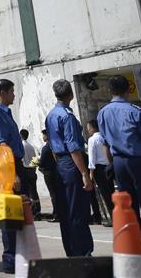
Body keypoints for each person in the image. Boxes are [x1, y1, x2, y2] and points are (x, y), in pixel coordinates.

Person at [97, 75, 141, 253]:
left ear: (109, 91)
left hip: (119, 162)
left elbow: (105, 143)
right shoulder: (135, 111)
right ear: (128, 90)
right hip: (138, 161)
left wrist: (112, 164)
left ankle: (137, 247)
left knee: (129, 207)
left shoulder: (103, 113)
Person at [45, 79, 94, 257]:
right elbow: (73, 147)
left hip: (59, 162)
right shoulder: (67, 116)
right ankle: (83, 250)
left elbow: (51, 143)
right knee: (78, 209)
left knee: (65, 211)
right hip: (72, 162)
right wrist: (84, 174)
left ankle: (71, 250)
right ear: (71, 94)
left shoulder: (51, 115)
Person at [0, 78, 26, 274]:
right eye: (11, 91)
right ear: (2, 92)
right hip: (7, 168)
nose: (14, 95)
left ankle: (17, 255)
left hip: (14, 165)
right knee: (9, 215)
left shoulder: (6, 114)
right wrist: (14, 174)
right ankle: (10, 259)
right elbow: (2, 147)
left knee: (16, 214)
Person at [85, 119, 114, 226]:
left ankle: (113, 217)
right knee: (111, 191)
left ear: (92, 128)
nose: (88, 130)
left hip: (99, 168)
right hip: (109, 166)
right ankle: (115, 215)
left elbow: (92, 157)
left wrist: (91, 173)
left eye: (88, 128)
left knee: (105, 194)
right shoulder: (105, 136)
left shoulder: (92, 139)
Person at [38, 130, 60, 222]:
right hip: (56, 171)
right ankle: (59, 212)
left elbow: (42, 162)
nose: (43, 137)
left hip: (48, 173)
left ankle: (56, 214)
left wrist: (39, 165)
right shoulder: (55, 145)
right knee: (57, 193)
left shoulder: (46, 148)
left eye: (43, 135)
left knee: (53, 194)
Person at [20, 129, 41, 215]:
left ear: (21, 135)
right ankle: (37, 208)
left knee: (27, 192)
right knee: (34, 191)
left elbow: (22, 159)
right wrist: (34, 169)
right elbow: (35, 160)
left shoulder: (21, 146)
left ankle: (31, 210)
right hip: (32, 170)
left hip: (25, 170)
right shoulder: (31, 146)